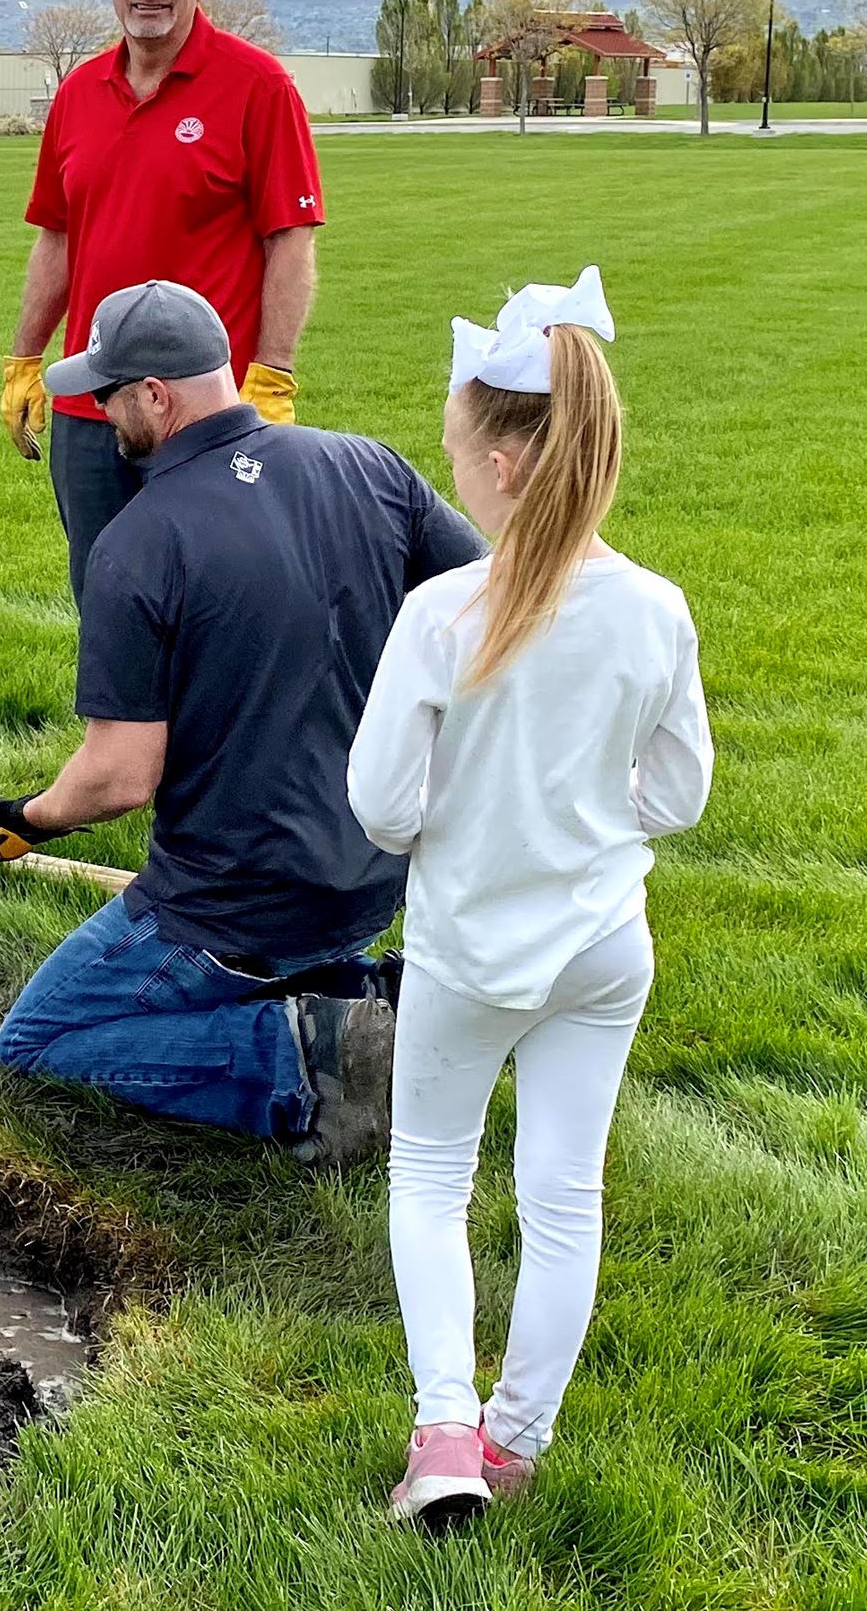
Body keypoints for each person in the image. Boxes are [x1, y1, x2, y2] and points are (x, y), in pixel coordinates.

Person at [0, 280, 482, 1163]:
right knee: (284, 944)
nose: (101, 415)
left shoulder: (138, 545)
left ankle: (303, 1057)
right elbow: (491, 598)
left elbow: (119, 778)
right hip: (375, 874)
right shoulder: (370, 467)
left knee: (37, 1039)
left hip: (231, 907)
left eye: (109, 395)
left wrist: (29, 819)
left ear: (155, 396)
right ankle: (373, 1000)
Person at [347, 269, 712, 1527]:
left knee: (430, 1178)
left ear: (501, 467)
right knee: (564, 1192)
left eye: (453, 449)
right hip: (601, 945)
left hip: (467, 950)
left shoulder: (439, 613)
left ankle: (444, 1430)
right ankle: (514, 1440)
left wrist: (468, 817)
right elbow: (676, 795)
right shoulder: (654, 610)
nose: (449, 467)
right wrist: (582, 810)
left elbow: (380, 803)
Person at [2, 0, 326, 600]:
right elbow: (56, 238)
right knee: (106, 601)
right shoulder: (78, 93)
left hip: (204, 410)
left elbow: (290, 241)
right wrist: (24, 359)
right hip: (92, 408)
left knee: (216, 605)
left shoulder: (260, 87)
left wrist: (272, 377)